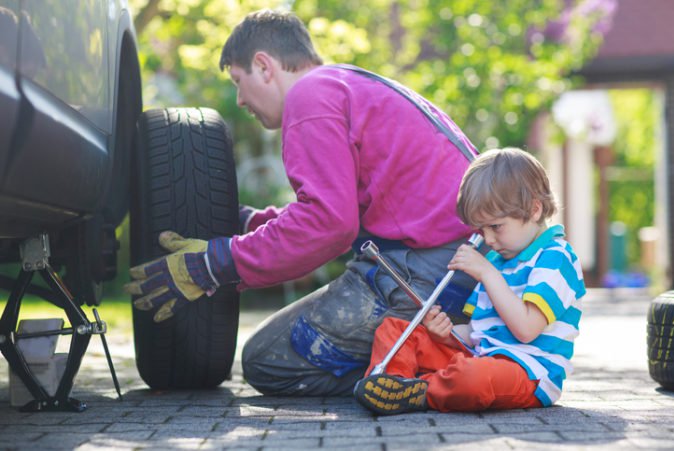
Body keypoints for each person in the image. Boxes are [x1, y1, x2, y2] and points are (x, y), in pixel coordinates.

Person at [124, 9, 477, 396]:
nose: (240, 100)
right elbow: (342, 213)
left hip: (431, 274)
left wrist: (213, 264)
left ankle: (432, 375)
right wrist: (251, 224)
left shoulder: (309, 97)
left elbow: (329, 225)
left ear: (263, 66)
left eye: (239, 82)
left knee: (266, 361)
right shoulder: (346, 84)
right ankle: (430, 357)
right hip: (462, 268)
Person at [353, 147, 586, 414]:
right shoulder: (498, 262)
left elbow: (526, 329)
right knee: (395, 329)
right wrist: (446, 333)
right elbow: (477, 333)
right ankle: (388, 385)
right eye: (481, 230)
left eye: (496, 227)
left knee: (474, 377)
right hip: (481, 357)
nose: (487, 240)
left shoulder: (556, 259)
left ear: (534, 210)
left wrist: (487, 273)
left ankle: (419, 391)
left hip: (529, 372)